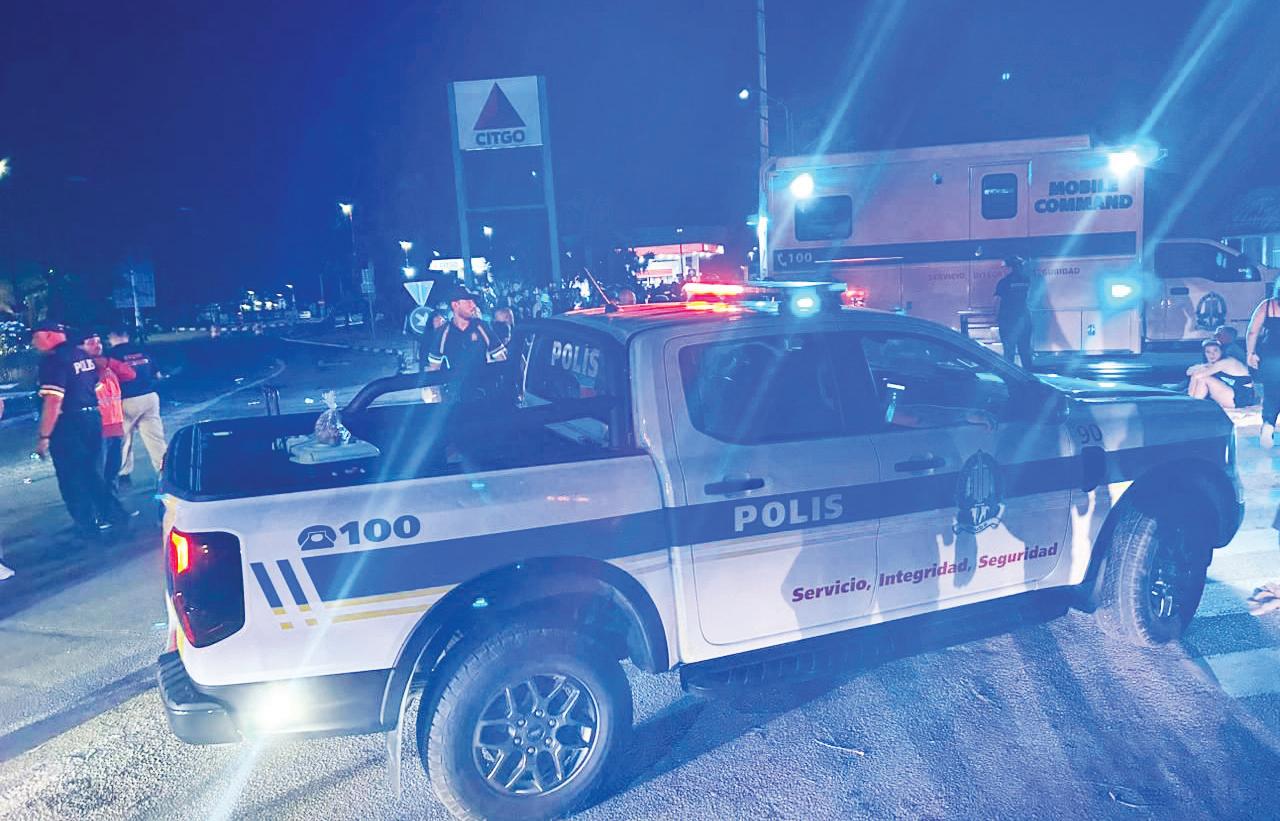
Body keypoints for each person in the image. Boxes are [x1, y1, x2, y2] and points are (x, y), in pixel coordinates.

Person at [32, 324, 126, 535]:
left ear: (48, 335)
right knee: (93, 473)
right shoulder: (82, 356)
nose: (34, 343)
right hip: (92, 419)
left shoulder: (53, 360)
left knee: (71, 477)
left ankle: (86, 525)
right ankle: (114, 515)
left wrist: (44, 436)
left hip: (68, 424)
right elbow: (96, 386)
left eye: (36, 338)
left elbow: (53, 401)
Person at [107, 325, 166, 485]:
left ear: (113, 336)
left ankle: (123, 475)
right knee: (155, 439)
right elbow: (158, 375)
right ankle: (165, 473)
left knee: (124, 440)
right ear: (127, 336)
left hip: (126, 400)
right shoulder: (143, 351)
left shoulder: (111, 355)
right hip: (149, 398)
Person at [425, 289, 508, 397]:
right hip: (457, 395)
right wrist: (435, 396)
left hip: (484, 392)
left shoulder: (482, 326)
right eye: (468, 302)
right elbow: (433, 368)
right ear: (455, 305)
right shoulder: (443, 332)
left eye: (473, 301)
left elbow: (501, 359)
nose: (473, 305)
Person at [89, 337, 137, 490]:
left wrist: (109, 362)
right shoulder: (85, 369)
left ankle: (111, 499)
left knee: (113, 469)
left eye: (98, 342)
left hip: (116, 424)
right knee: (99, 470)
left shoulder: (108, 366)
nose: (97, 346)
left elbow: (130, 374)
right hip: (99, 427)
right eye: (91, 342)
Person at [1246, 283, 1280, 447]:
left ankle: (1268, 424)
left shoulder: (1268, 305)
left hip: (1271, 356)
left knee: (1272, 392)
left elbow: (1253, 331)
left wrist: (1250, 353)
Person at [1186, 339, 1255, 409]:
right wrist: (1200, 367)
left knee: (1203, 378)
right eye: (1208, 352)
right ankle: (1192, 402)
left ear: (1221, 351)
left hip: (1242, 397)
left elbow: (1197, 375)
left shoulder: (1226, 362)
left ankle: (1192, 403)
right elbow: (1188, 372)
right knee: (1201, 375)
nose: (1212, 354)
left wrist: (1190, 394)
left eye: (1215, 350)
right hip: (1235, 395)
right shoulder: (1214, 364)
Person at [994, 256, 1033, 369]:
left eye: (1004, 267)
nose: (1003, 270)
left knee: (1009, 351)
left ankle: (1009, 374)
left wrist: (995, 317)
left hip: (1008, 320)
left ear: (1010, 268)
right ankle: (1028, 375)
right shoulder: (1026, 280)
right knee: (1025, 351)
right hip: (1024, 320)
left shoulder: (1004, 282)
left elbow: (997, 300)